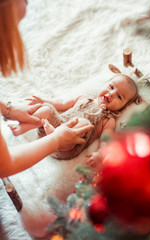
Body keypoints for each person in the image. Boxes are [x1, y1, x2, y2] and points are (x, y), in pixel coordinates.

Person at [0, 0, 93, 178]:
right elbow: (3, 165)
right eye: (13, 24)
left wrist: (8, 109)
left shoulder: (106, 116)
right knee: (47, 109)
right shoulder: (84, 98)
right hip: (58, 127)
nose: (27, 2)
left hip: (64, 128)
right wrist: (56, 140)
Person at [9, 72, 142, 166]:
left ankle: (55, 134)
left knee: (84, 123)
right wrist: (43, 100)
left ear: (123, 106)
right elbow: (60, 103)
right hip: (50, 131)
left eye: (119, 97)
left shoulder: (108, 119)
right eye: (111, 87)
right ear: (104, 84)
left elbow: (106, 140)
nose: (111, 94)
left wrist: (100, 154)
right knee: (47, 108)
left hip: (68, 145)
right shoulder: (83, 97)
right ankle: (22, 127)